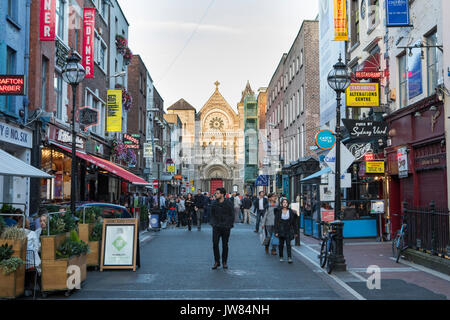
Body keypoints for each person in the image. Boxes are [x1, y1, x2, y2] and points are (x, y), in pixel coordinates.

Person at [210, 187, 234, 270]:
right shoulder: (213, 203)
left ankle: (224, 262)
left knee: (225, 245)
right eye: (215, 193)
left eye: (217, 193)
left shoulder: (229, 203)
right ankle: (217, 261)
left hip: (226, 227)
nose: (215, 194)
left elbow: (232, 215)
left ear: (222, 194)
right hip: (216, 226)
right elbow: (211, 214)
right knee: (215, 244)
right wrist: (213, 223)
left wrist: (229, 224)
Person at [274, 198, 299, 264]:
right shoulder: (278, 211)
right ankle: (281, 256)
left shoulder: (291, 212)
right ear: (282, 204)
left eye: (286, 202)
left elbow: (294, 223)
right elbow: (276, 222)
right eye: (284, 202)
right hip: (281, 229)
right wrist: (276, 231)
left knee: (288, 244)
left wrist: (296, 232)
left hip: (288, 230)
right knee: (281, 244)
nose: (285, 203)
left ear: (288, 204)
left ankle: (289, 257)